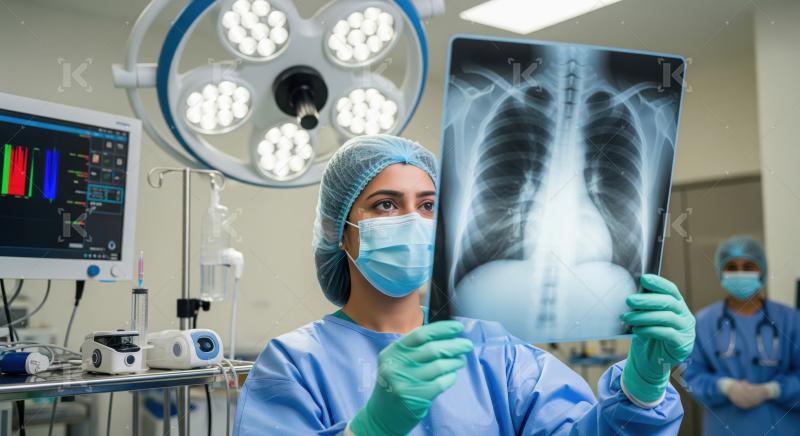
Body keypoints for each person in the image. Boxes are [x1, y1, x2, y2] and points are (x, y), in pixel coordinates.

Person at [234, 135, 695, 435]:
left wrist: (643, 387)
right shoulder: (295, 363)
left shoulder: (497, 353)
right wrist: (370, 429)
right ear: (340, 229)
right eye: (386, 205)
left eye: (429, 204)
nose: (413, 220)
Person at [683, 236, 800, 435]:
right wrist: (725, 387)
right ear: (721, 272)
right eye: (732, 267)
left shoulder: (790, 319)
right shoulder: (702, 322)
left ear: (761, 271)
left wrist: (772, 390)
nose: (740, 273)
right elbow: (690, 374)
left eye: (748, 267)